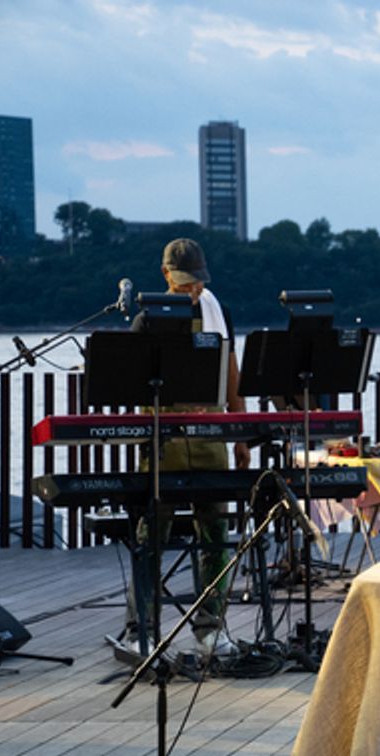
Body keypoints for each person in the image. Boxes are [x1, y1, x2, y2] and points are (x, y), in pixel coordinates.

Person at [124, 238, 249, 659]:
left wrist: (241, 433)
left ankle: (210, 626)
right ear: (165, 276)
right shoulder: (145, 321)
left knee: (215, 533)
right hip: (164, 445)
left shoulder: (219, 313)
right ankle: (138, 628)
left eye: (197, 282)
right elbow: (134, 382)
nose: (192, 290)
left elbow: (231, 374)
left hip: (211, 441)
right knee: (150, 537)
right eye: (184, 283)